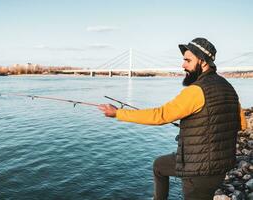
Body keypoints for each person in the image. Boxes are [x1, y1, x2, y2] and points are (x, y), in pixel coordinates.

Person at [98, 38, 247, 200]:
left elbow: (160, 115)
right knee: (159, 166)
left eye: (188, 60)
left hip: (198, 172)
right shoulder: (228, 87)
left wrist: (118, 113)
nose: (183, 65)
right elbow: (242, 124)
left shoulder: (196, 91)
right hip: (220, 165)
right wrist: (201, 126)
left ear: (203, 62)